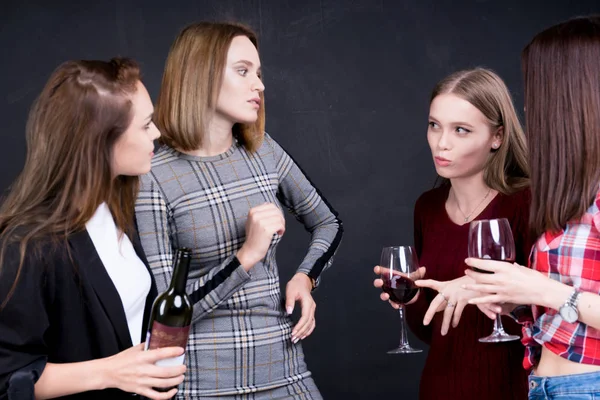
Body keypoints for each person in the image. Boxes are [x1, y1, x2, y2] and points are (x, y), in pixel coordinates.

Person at [135, 22, 343, 399]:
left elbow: (329, 222)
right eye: (243, 71)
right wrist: (245, 256)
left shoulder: (264, 151)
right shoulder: (153, 175)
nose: (259, 85)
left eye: (259, 73)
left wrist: (305, 278)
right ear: (199, 74)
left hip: (286, 372)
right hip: (204, 386)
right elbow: (165, 317)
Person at [0, 58, 187, 400]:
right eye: (146, 125)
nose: (157, 134)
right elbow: (8, 378)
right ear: (101, 140)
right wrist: (111, 372)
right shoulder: (27, 245)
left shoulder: (117, 209)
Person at [373, 68, 531, 399]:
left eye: (461, 130)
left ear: (497, 137)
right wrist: (414, 298)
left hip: (514, 389)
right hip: (441, 388)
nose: (441, 143)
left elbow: (548, 312)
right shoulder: (427, 208)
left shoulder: (525, 203)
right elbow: (432, 333)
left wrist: (478, 287)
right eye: (435, 126)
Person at [465, 15, 600, 399]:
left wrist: (546, 290)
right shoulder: (574, 193)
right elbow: (568, 307)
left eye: (536, 89)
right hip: (547, 386)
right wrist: (520, 300)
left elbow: (562, 296)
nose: (530, 106)